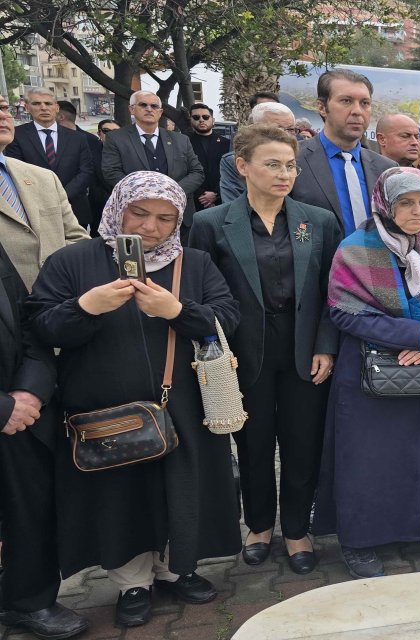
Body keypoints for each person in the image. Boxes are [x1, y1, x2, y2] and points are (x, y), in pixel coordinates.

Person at [27, 172, 240, 628]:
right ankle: (132, 582)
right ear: (117, 208)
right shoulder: (74, 261)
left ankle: (176, 568)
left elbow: (227, 317)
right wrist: (85, 307)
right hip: (104, 405)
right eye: (139, 213)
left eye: (165, 218)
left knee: (180, 486)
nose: (150, 228)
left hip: (180, 402)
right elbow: (41, 327)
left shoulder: (195, 262)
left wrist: (179, 313)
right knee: (120, 495)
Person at [188, 124, 343, 576]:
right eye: (272, 164)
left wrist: (325, 346)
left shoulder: (317, 220)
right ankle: (258, 526)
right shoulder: (211, 223)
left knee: (301, 443)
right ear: (243, 166)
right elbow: (200, 293)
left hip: (303, 348)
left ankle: (296, 528)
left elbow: (333, 293)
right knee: (253, 444)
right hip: (243, 353)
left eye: (290, 165)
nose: (283, 174)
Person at [312, 166, 420, 577]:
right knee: (369, 461)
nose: (417, 211)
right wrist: (414, 336)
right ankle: (361, 541)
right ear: (385, 204)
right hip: (371, 369)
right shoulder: (355, 248)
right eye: (406, 202)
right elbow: (345, 313)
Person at [0, 244, 90, 639]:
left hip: (21, 414)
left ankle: (28, 600)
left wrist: (30, 390)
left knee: (30, 509)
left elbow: (27, 322)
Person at [290, 69, 397, 235]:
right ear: (322, 107)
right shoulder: (294, 160)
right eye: (346, 101)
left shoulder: (386, 168)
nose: (357, 111)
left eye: (365, 103)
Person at [0, 98, 90, 293]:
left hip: (57, 301)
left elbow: (78, 239)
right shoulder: (24, 138)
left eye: (3, 107)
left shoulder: (44, 178)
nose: (2, 115)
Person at [101, 91, 205, 238]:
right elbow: (111, 172)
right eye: (143, 105)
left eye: (154, 106)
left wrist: (173, 191)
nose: (149, 109)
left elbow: (197, 172)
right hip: (138, 217)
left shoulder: (181, 140)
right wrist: (145, 193)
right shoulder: (116, 138)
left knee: (182, 260)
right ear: (132, 109)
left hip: (179, 217)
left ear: (160, 112)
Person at [6, 88, 95, 228]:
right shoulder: (17, 136)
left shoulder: (78, 138)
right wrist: (46, 198)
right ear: (27, 107)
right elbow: (16, 171)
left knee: (77, 249)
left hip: (74, 209)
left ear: (56, 107)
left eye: (48, 103)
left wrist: (61, 196)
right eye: (36, 104)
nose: (43, 108)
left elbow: (86, 171)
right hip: (35, 209)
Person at [220, 102, 300, 203]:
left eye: (290, 129)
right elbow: (233, 206)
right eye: (277, 129)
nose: (285, 135)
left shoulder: (305, 155)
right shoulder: (232, 161)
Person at [186, 103, 231, 212]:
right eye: (196, 117)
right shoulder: (185, 142)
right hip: (194, 200)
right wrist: (202, 195)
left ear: (213, 120)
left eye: (205, 117)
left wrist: (216, 193)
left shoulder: (227, 143)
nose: (201, 120)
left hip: (223, 198)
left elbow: (230, 171)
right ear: (191, 120)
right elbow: (183, 170)